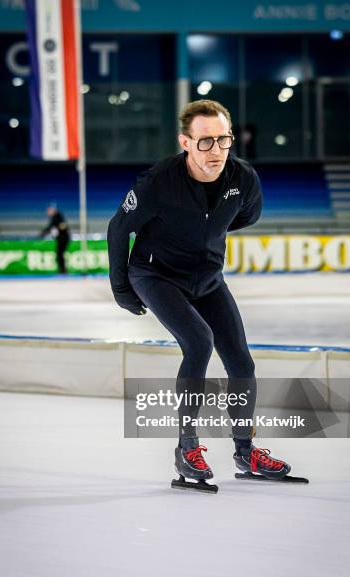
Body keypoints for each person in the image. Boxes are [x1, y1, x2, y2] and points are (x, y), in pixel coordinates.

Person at [108, 99, 291, 490]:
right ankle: (186, 449)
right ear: (185, 143)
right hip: (156, 274)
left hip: (207, 278)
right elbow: (118, 229)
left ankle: (245, 451)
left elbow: (246, 216)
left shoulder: (243, 178)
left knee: (241, 362)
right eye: (205, 142)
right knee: (199, 342)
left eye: (223, 140)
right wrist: (122, 287)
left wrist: (204, 239)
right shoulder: (158, 181)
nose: (217, 151)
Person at [40, 204, 71, 274]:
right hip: (62, 238)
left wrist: (44, 232)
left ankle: (63, 270)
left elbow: (56, 226)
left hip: (63, 238)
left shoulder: (57, 216)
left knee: (60, 254)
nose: (48, 213)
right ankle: (62, 270)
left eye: (48, 211)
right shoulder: (56, 217)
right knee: (59, 254)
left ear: (52, 210)